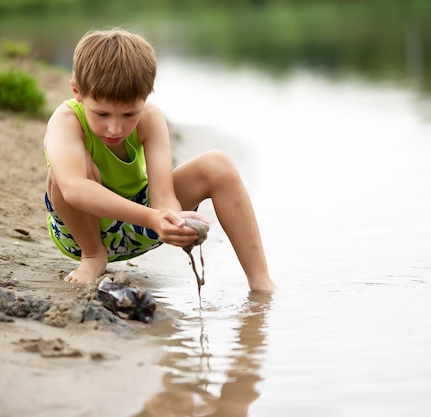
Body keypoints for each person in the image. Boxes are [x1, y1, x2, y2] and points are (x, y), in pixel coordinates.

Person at [43, 28, 276, 292]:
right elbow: (74, 189)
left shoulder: (151, 117)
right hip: (81, 234)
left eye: (129, 114)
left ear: (146, 97)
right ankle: (94, 256)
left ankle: (261, 284)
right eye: (102, 114)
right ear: (77, 91)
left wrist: (172, 220)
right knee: (62, 177)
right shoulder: (66, 121)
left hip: (140, 228)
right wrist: (153, 218)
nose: (115, 128)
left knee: (217, 164)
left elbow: (163, 196)